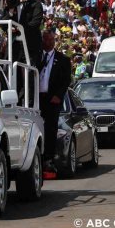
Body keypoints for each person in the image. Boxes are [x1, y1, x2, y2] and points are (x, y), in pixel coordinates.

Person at [39, 30, 71, 177]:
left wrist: (58, 95)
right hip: (37, 98)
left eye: (51, 40)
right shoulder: (35, 57)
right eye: (46, 39)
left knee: (50, 129)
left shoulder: (63, 59)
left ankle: (49, 159)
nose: (49, 42)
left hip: (52, 99)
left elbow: (66, 81)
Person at [2, 0, 43, 67]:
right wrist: (11, 11)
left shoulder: (36, 3)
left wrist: (17, 29)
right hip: (14, 47)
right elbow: (3, 23)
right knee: (10, 74)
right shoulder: (11, 3)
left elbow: (35, 23)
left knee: (29, 77)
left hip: (30, 47)